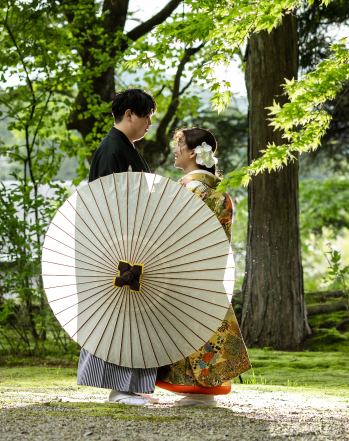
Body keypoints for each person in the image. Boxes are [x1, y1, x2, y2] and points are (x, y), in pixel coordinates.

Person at [155, 127, 251, 408]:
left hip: (185, 270)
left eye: (180, 145)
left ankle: (198, 392)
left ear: (194, 153)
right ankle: (202, 391)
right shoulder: (217, 191)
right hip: (207, 270)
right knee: (205, 329)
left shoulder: (190, 190)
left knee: (190, 331)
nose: (175, 150)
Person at [76, 88, 158, 406]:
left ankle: (131, 387)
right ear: (129, 115)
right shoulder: (112, 149)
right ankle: (119, 390)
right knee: (121, 317)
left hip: (132, 239)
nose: (149, 123)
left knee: (135, 318)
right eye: (147, 116)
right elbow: (107, 202)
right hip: (119, 244)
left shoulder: (125, 147)